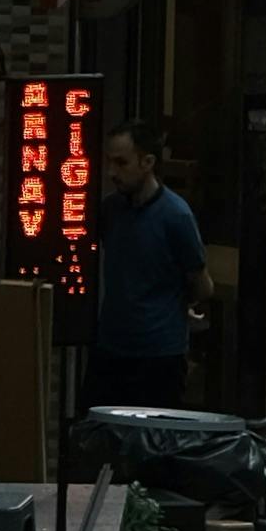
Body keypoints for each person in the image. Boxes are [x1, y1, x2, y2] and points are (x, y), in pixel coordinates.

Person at [87, 126, 207, 410]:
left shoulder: (176, 215)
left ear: (148, 162)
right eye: (109, 162)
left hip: (158, 354)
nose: (112, 173)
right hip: (111, 346)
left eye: (122, 162)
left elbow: (202, 282)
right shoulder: (110, 210)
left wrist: (182, 302)